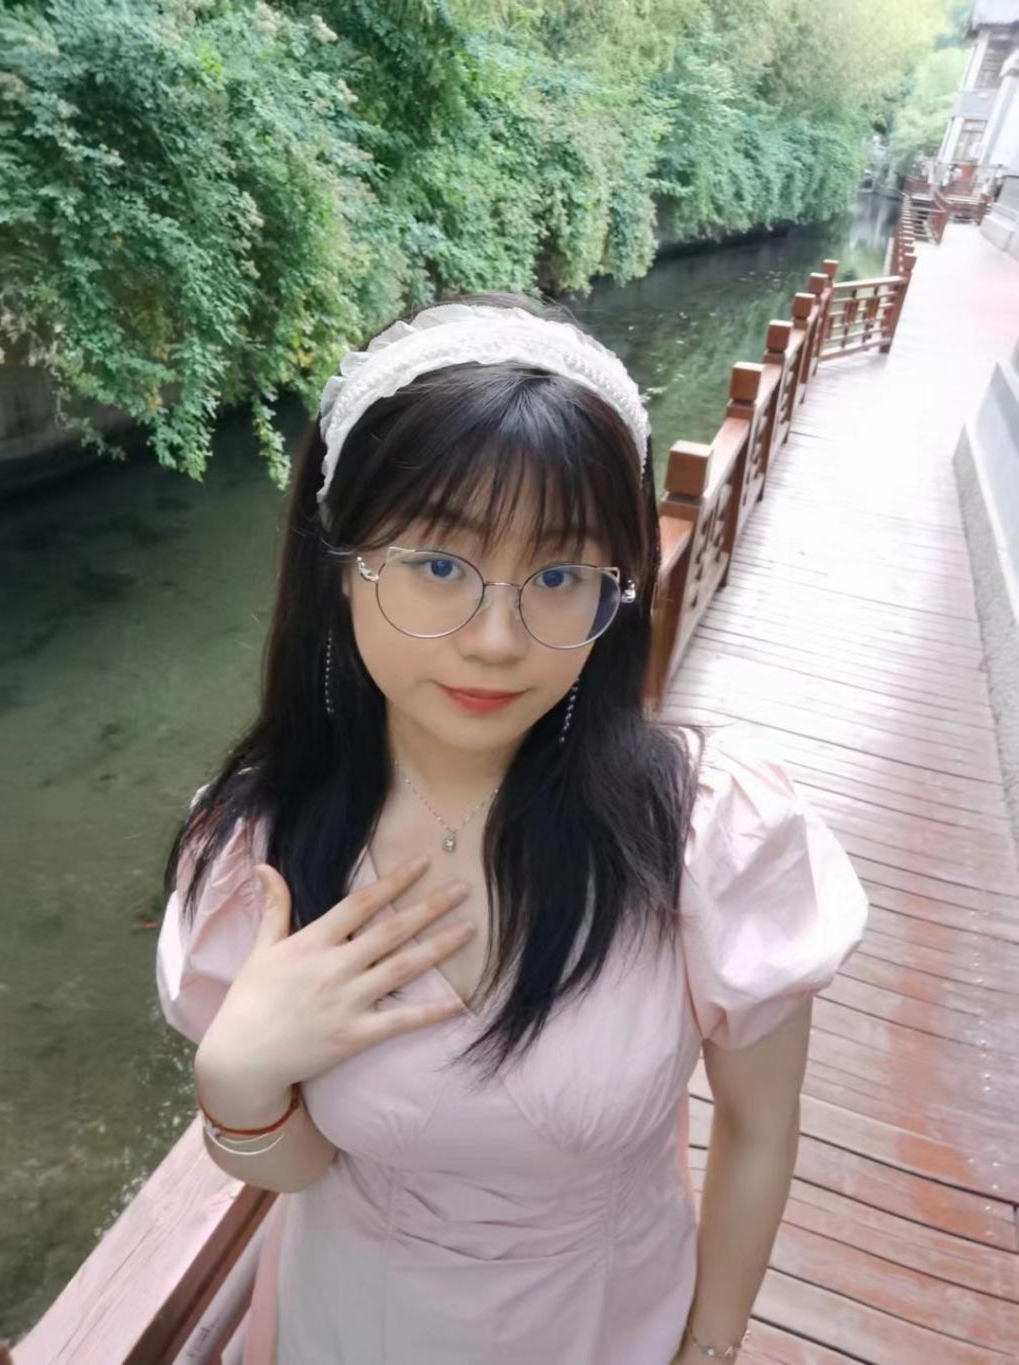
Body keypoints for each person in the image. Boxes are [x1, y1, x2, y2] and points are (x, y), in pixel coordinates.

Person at [156, 291, 869, 1363]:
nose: (496, 639)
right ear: (342, 565)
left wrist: (710, 1347)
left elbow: (761, 1127)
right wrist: (239, 1082)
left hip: (608, 1322)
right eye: (439, 566)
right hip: (351, 1320)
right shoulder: (261, 851)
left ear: (614, 588)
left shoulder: (706, 840)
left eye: (558, 575)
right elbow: (303, 1168)